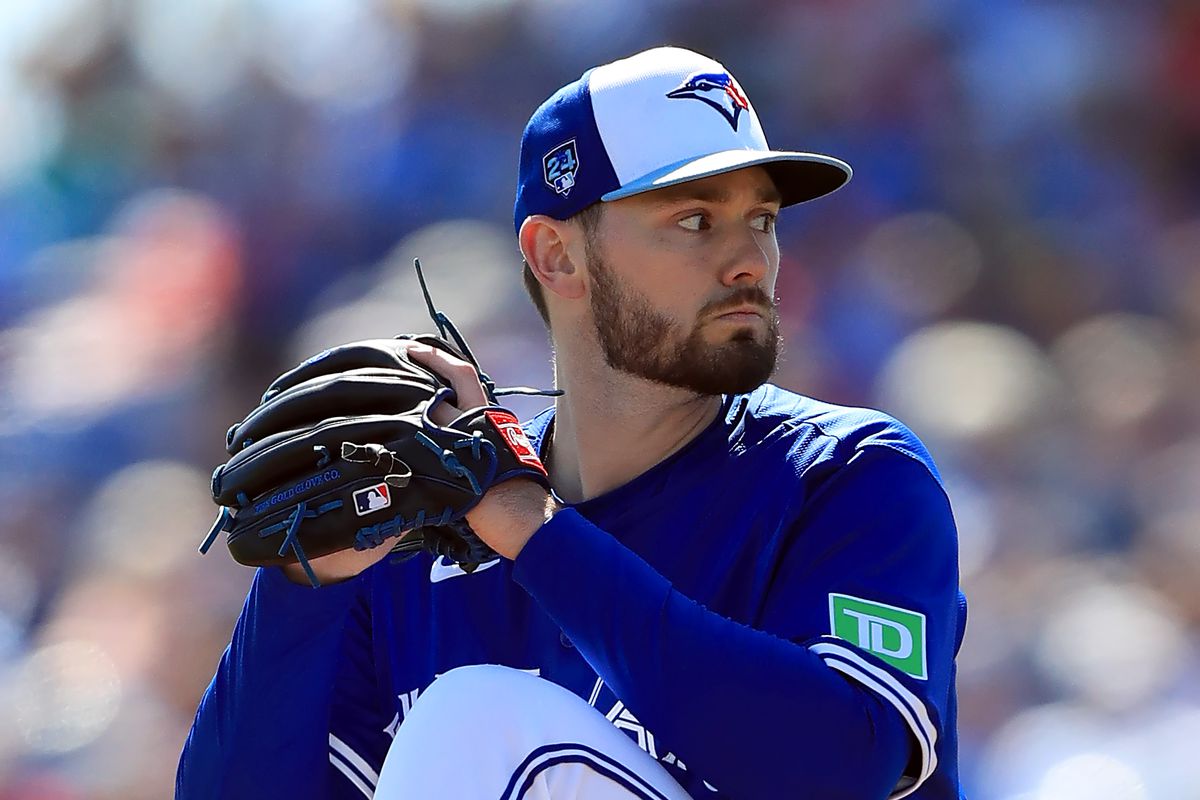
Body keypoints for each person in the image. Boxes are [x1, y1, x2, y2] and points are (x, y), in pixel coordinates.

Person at [177, 46, 966, 799]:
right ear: (556, 256)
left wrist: (537, 534)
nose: (750, 259)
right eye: (695, 220)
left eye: (761, 218)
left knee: (476, 720)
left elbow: (845, 762)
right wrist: (298, 589)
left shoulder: (845, 475)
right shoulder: (431, 540)